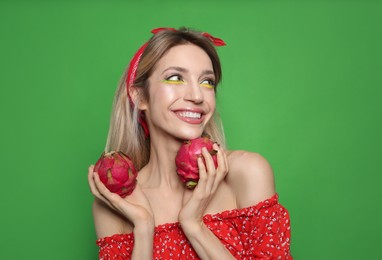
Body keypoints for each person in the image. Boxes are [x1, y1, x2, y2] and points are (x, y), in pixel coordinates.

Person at [88, 27, 292, 259]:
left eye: (207, 81)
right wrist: (143, 227)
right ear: (140, 97)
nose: (197, 96)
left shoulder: (246, 173)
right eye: (175, 78)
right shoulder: (117, 203)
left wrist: (194, 226)